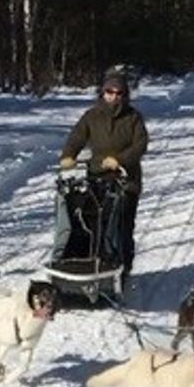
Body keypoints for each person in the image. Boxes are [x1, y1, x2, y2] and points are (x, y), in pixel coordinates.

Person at [57, 66, 149, 274]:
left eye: (119, 93)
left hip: (126, 181)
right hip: (97, 177)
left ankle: (123, 268)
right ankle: (93, 264)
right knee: (94, 223)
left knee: (121, 226)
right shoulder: (91, 116)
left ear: (125, 96)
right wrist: (68, 155)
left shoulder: (133, 118)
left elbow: (140, 145)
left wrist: (120, 160)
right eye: (109, 92)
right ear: (102, 92)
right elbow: (77, 137)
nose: (113, 97)